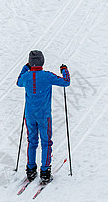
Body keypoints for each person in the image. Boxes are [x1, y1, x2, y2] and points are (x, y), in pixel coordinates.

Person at [16, 50, 71, 184]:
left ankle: (30, 170)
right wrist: (64, 70)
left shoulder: (26, 77)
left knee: (32, 142)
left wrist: (26, 67)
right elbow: (66, 82)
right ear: (42, 61)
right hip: (44, 116)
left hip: (29, 115)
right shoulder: (47, 76)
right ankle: (45, 172)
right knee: (46, 142)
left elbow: (18, 81)